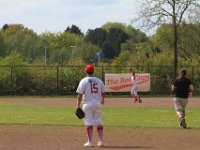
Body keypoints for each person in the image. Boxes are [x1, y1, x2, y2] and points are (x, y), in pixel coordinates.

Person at [76, 64, 106, 147]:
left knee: (89, 123)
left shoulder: (84, 81)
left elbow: (80, 94)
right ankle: (100, 141)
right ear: (93, 71)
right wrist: (103, 99)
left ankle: (90, 142)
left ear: (86, 71)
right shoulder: (99, 81)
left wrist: (78, 105)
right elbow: (104, 92)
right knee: (99, 122)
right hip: (97, 104)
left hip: (87, 104)